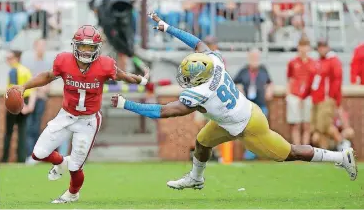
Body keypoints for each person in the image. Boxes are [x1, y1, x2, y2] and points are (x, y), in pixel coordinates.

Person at [111, 12, 357, 191]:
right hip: (233, 115)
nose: (186, 80)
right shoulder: (214, 61)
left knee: (289, 153)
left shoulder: (201, 92)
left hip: (249, 125)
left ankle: (340, 157)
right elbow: (197, 42)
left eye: (189, 78)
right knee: (202, 142)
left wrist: (126, 104)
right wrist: (167, 28)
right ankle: (196, 178)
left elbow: (164, 111)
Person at [11, 25, 149, 203]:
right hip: (66, 115)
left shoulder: (105, 64)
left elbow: (123, 76)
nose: (86, 50)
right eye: (83, 46)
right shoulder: (63, 61)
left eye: (90, 47)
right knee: (38, 153)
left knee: (76, 167)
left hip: (88, 120)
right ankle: (61, 162)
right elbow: (47, 76)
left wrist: (141, 79)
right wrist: (24, 87)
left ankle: (72, 193)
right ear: (75, 46)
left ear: (97, 48)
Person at [300, 40, 343, 150]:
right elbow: (311, 81)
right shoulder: (318, 62)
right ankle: (326, 154)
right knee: (318, 129)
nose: (321, 49)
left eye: (324, 46)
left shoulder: (333, 61)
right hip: (316, 100)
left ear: (328, 47)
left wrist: (334, 99)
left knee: (326, 127)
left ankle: (344, 146)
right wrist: (304, 95)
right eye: (319, 46)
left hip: (326, 100)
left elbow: (337, 81)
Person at [233, 48, 274, 160]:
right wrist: (239, 87)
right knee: (249, 130)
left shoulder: (263, 70)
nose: (254, 59)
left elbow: (270, 82)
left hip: (261, 105)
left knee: (259, 129)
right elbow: (234, 83)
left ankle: (254, 153)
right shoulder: (243, 71)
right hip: (248, 107)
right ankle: (251, 153)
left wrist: (270, 89)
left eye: (256, 57)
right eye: (252, 57)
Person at [1, 50, 36, 163]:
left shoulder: (14, 71)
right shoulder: (26, 70)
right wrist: (30, 105)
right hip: (25, 101)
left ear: (16, 58)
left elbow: (13, 91)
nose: (8, 60)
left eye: (10, 57)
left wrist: (21, 105)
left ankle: (4, 159)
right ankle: (21, 159)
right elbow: (33, 90)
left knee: (9, 132)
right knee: (22, 131)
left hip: (16, 102)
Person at [23, 38, 52, 165]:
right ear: (35, 47)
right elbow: (29, 81)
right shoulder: (29, 63)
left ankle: (35, 154)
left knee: (37, 126)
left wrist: (41, 88)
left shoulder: (46, 63)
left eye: (44, 46)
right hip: (31, 98)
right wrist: (38, 88)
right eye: (40, 46)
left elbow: (48, 83)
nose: (42, 48)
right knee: (29, 126)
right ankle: (29, 154)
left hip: (42, 99)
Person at [286, 37, 314, 145]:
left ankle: (305, 149)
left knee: (307, 124)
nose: (303, 49)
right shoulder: (292, 63)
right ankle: (297, 149)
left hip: (308, 96)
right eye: (301, 46)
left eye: (305, 46)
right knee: (295, 124)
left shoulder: (313, 63)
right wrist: (288, 95)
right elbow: (290, 79)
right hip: (294, 96)